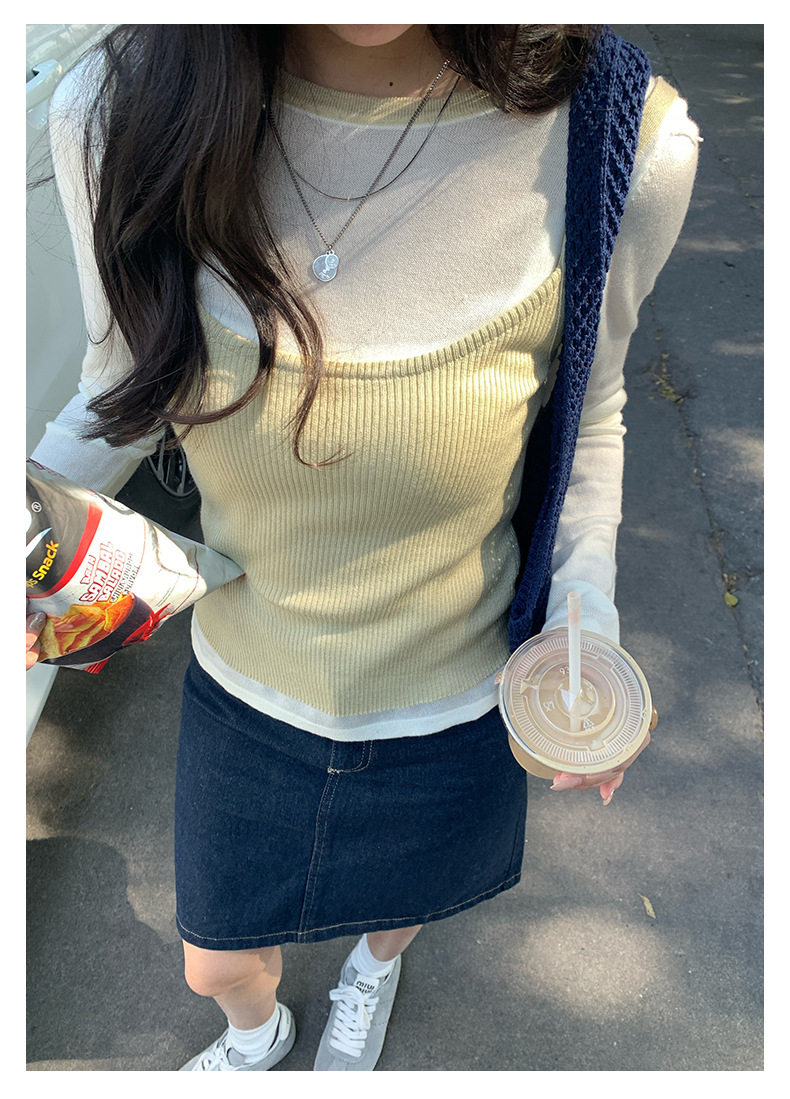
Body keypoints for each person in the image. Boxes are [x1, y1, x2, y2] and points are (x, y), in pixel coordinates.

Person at [26, 24, 699, 1072]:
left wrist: (587, 625)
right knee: (213, 961)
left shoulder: (622, 134)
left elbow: (592, 412)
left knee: (400, 903)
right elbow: (115, 389)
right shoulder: (113, 111)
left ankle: (371, 972)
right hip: (245, 689)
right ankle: (256, 1034)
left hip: (458, 699)